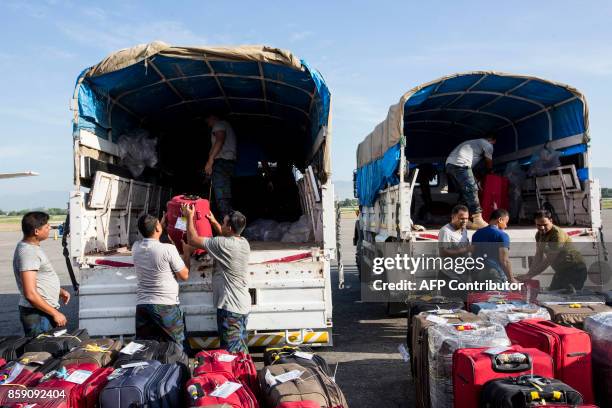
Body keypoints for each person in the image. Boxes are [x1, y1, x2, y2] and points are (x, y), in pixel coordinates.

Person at [182, 204, 251, 353]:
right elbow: (226, 236)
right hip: (242, 305)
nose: (221, 224)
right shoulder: (243, 242)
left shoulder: (222, 244)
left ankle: (234, 376)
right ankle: (244, 374)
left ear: (230, 229)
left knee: (231, 354)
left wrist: (188, 217)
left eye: (223, 222)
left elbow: (192, 239)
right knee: (240, 351)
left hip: (230, 308)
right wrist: (213, 222)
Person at [133, 214, 190, 349]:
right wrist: (186, 253)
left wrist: (159, 225)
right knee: (175, 347)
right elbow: (184, 275)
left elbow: (150, 236)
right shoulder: (168, 249)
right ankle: (177, 369)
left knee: (145, 348)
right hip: (165, 306)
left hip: (143, 306)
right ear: (158, 228)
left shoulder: (136, 247)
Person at [13, 212, 70, 336]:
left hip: (42, 311)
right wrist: (55, 313)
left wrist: (58, 291)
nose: (50, 228)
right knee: (42, 352)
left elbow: (38, 279)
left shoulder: (31, 248)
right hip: (38, 314)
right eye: (46, 226)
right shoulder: (29, 253)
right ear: (36, 231)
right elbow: (30, 293)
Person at [517, 210, 587, 290]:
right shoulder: (539, 235)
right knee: (552, 293)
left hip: (575, 270)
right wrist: (528, 274)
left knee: (565, 297)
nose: (542, 228)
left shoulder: (557, 234)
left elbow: (549, 260)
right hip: (561, 271)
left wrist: (530, 275)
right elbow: (538, 256)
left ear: (551, 221)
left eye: (545, 224)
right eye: (538, 225)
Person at [446, 135, 497, 229]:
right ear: (493, 140)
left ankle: (461, 219)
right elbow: (488, 161)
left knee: (464, 193)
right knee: (472, 190)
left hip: (450, 165)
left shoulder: (473, 143)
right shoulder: (488, 144)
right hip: (461, 164)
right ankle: (478, 219)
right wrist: (490, 171)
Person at [205, 113, 238, 219]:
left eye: (208, 120)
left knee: (221, 196)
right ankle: (229, 223)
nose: (208, 123)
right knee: (226, 195)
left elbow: (220, 140)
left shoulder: (218, 124)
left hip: (221, 163)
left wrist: (210, 161)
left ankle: (224, 224)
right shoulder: (227, 125)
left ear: (213, 117)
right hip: (229, 163)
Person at [472, 208, 516, 283]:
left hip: (478, 274)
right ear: (500, 220)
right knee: (499, 294)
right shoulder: (502, 235)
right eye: (506, 222)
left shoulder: (476, 234)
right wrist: (511, 279)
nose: (506, 226)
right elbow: (504, 260)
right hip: (495, 274)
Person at [437, 205, 472, 297]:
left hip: (462, 276)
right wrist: (465, 249)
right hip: (449, 277)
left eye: (466, 218)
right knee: (451, 307)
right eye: (461, 218)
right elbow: (443, 253)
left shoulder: (464, 230)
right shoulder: (445, 231)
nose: (464, 221)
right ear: (453, 217)